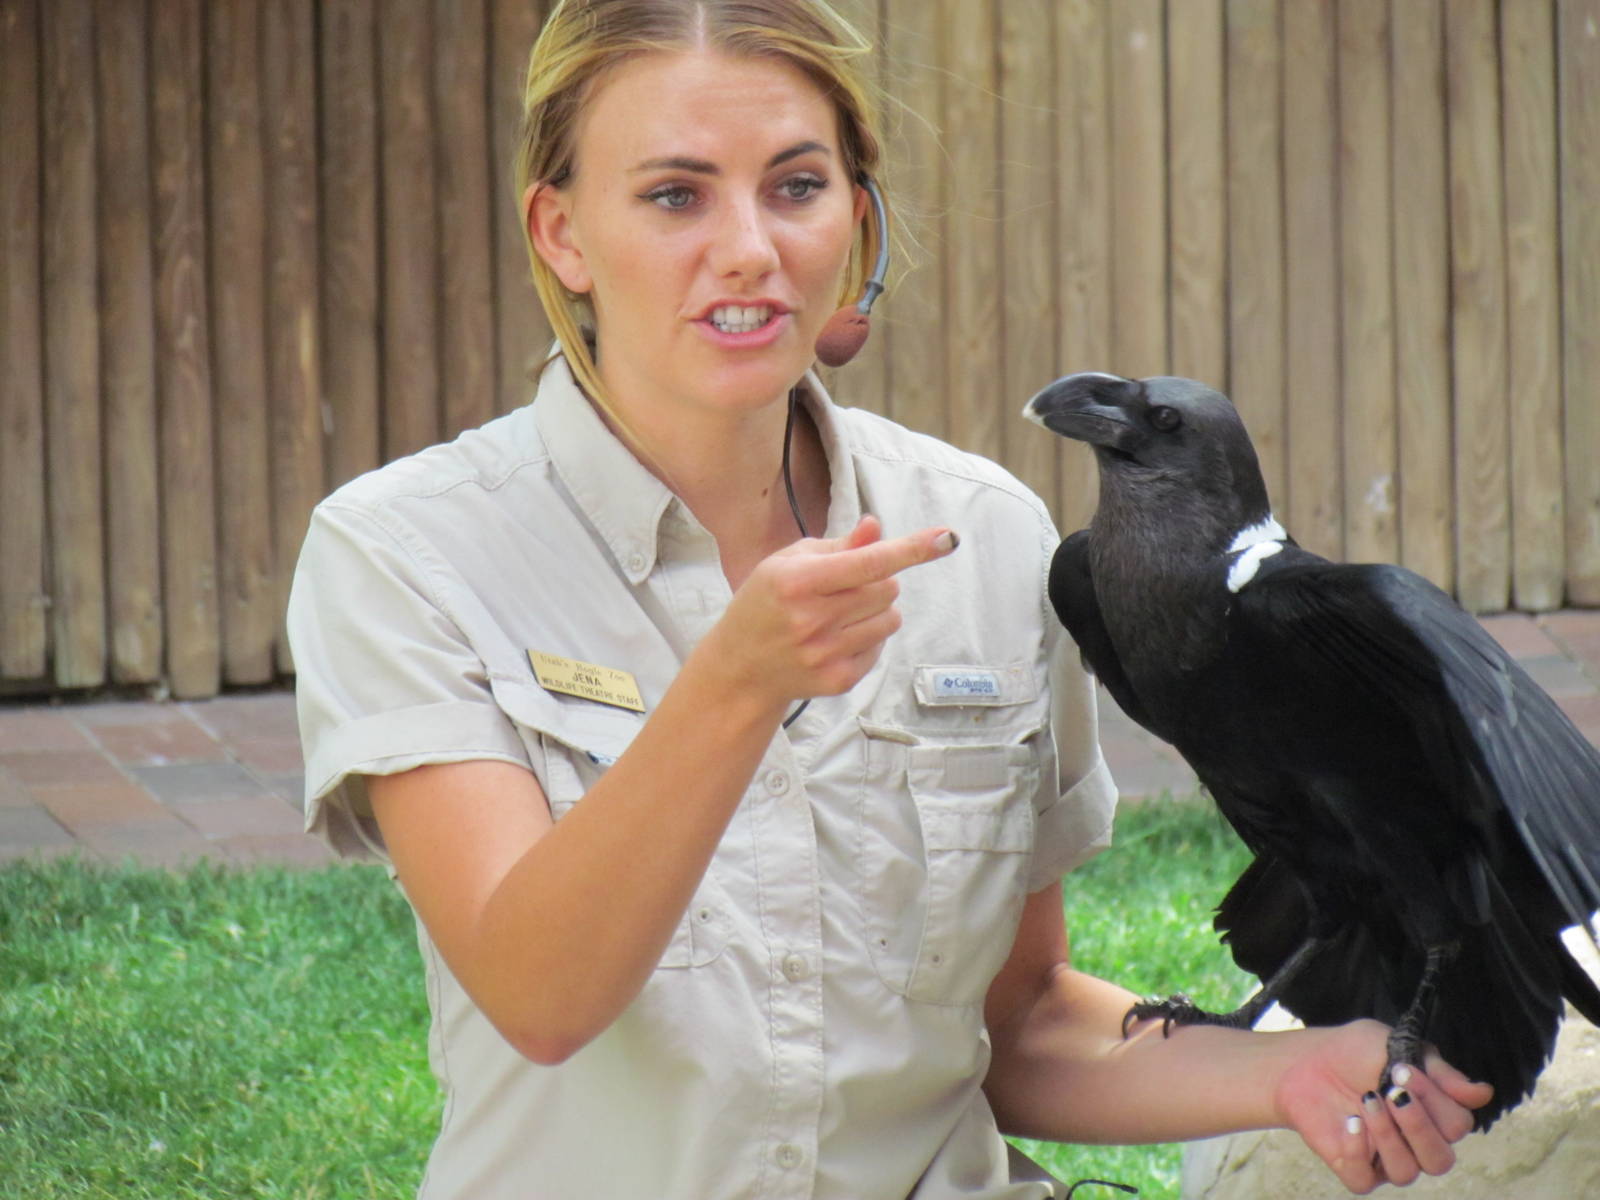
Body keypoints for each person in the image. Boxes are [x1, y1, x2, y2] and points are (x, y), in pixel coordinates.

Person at [287, 2, 1491, 1196]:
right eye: (675, 195)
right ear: (560, 233)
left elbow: (1016, 1024)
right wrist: (736, 686)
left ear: (856, 217)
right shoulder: (404, 554)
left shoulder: (984, 534)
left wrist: (1284, 1072)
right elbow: (539, 995)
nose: (751, 248)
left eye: (796, 186)